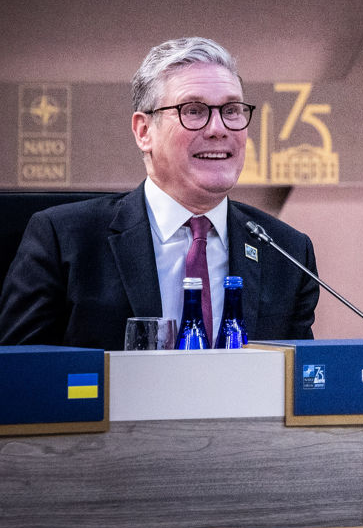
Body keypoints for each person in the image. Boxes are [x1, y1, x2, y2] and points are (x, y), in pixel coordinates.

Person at [0, 37, 319, 349]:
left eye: (232, 110)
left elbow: (298, 387)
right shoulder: (64, 239)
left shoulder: (286, 252)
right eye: (193, 111)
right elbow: (19, 378)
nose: (219, 128)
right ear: (143, 131)